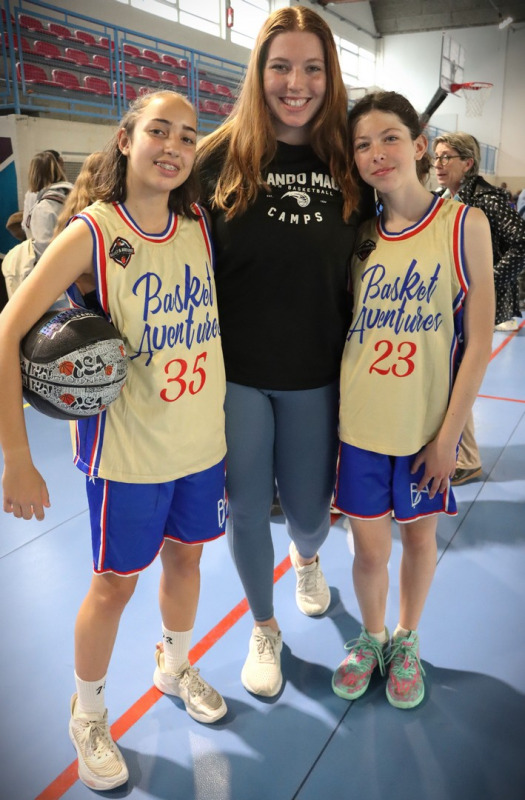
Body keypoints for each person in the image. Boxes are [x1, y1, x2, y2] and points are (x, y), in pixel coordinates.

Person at [0, 90, 228, 791]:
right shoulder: (92, 233)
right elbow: (7, 331)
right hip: (128, 451)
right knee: (113, 585)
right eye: (159, 131)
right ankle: (89, 712)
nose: (175, 147)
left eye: (187, 136)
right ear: (126, 140)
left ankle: (175, 663)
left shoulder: (198, 223)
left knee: (187, 558)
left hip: (201, 439)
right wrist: (17, 458)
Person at [194, 5, 371, 697]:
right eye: (280, 67)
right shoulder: (216, 158)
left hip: (314, 372)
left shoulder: (347, 161)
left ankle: (306, 559)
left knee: (308, 512)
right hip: (235, 374)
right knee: (244, 506)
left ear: (330, 76)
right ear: (257, 72)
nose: (295, 84)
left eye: (312, 69)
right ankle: (262, 627)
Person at [331, 91, 494, 710]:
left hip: (426, 428)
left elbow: (478, 342)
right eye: (362, 144)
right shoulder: (357, 236)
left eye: (390, 138)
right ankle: (372, 637)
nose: (377, 153)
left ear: (419, 145)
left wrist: (449, 437)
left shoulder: (464, 225)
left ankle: (406, 639)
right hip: (360, 426)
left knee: (420, 541)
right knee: (370, 550)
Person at [432, 132, 525, 484]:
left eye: (446, 157)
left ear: (467, 163)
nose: (438, 164)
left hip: (476, 303)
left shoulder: (487, 198)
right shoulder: (445, 197)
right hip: (453, 300)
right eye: (436, 156)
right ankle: (463, 453)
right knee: (453, 375)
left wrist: (488, 282)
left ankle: (467, 459)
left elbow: (522, 243)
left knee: (458, 376)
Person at [22, 150, 73, 257]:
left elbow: (43, 248)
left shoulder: (43, 207)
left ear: (34, 175)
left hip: (51, 260)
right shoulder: (72, 193)